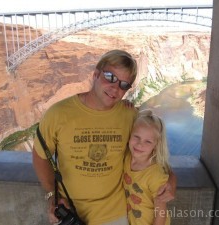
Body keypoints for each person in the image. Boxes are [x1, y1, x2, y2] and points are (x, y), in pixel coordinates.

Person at [32, 49, 176, 225]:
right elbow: (40, 156)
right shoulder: (58, 114)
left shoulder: (129, 115)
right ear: (96, 74)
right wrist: (51, 196)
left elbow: (156, 153)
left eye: (124, 85)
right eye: (110, 77)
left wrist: (171, 182)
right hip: (69, 212)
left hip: (114, 214)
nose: (115, 88)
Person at [123, 110, 172, 225]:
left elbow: (161, 212)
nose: (140, 144)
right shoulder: (127, 157)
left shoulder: (155, 174)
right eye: (137, 137)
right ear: (130, 135)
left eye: (148, 141)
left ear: (156, 145)